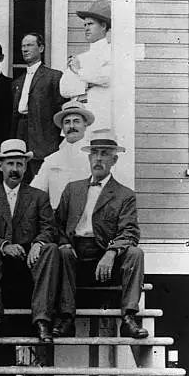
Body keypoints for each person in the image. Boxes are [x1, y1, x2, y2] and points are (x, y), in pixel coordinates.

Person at [53, 129, 148, 339]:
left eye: (104, 153)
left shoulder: (125, 195)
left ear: (114, 160)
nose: (98, 158)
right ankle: (66, 317)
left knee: (135, 254)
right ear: (89, 157)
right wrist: (64, 243)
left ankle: (129, 318)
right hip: (75, 255)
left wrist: (112, 250)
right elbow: (56, 225)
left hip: (106, 258)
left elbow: (129, 231)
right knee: (61, 252)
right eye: (94, 153)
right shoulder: (72, 189)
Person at [0, 139, 59, 343]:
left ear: (25, 166)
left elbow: (49, 228)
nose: (15, 169)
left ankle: (42, 320)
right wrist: (4, 246)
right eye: (10, 164)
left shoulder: (38, 197)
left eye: (19, 164)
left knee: (52, 249)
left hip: (30, 260)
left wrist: (38, 244)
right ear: (0, 166)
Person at [11, 33, 66, 179]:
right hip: (21, 135)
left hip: (43, 139)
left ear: (41, 48)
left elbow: (61, 109)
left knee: (42, 181)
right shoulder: (18, 82)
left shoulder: (53, 77)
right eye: (23, 46)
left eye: (29, 45)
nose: (25, 49)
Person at [31, 101, 95, 209]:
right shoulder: (51, 160)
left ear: (85, 124)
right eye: (67, 122)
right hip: (57, 220)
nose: (71, 126)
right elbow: (35, 193)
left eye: (76, 121)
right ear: (62, 127)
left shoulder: (94, 157)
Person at [60, 0, 112, 130]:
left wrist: (78, 72)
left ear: (103, 25)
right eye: (84, 25)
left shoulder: (111, 52)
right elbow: (64, 89)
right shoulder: (81, 57)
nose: (86, 28)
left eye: (90, 24)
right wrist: (88, 84)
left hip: (100, 117)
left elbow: (106, 78)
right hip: (78, 119)